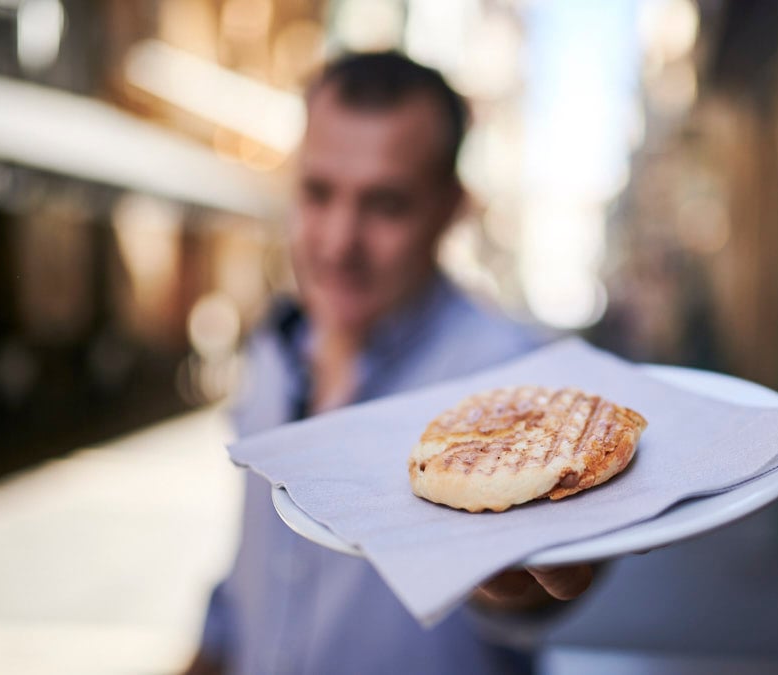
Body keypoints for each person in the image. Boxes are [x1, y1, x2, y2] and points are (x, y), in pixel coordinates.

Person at [183, 52, 593, 675]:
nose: (339, 241)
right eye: (318, 193)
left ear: (451, 207)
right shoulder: (273, 348)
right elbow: (247, 577)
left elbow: (536, 598)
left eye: (386, 205)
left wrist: (538, 582)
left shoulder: (514, 382)